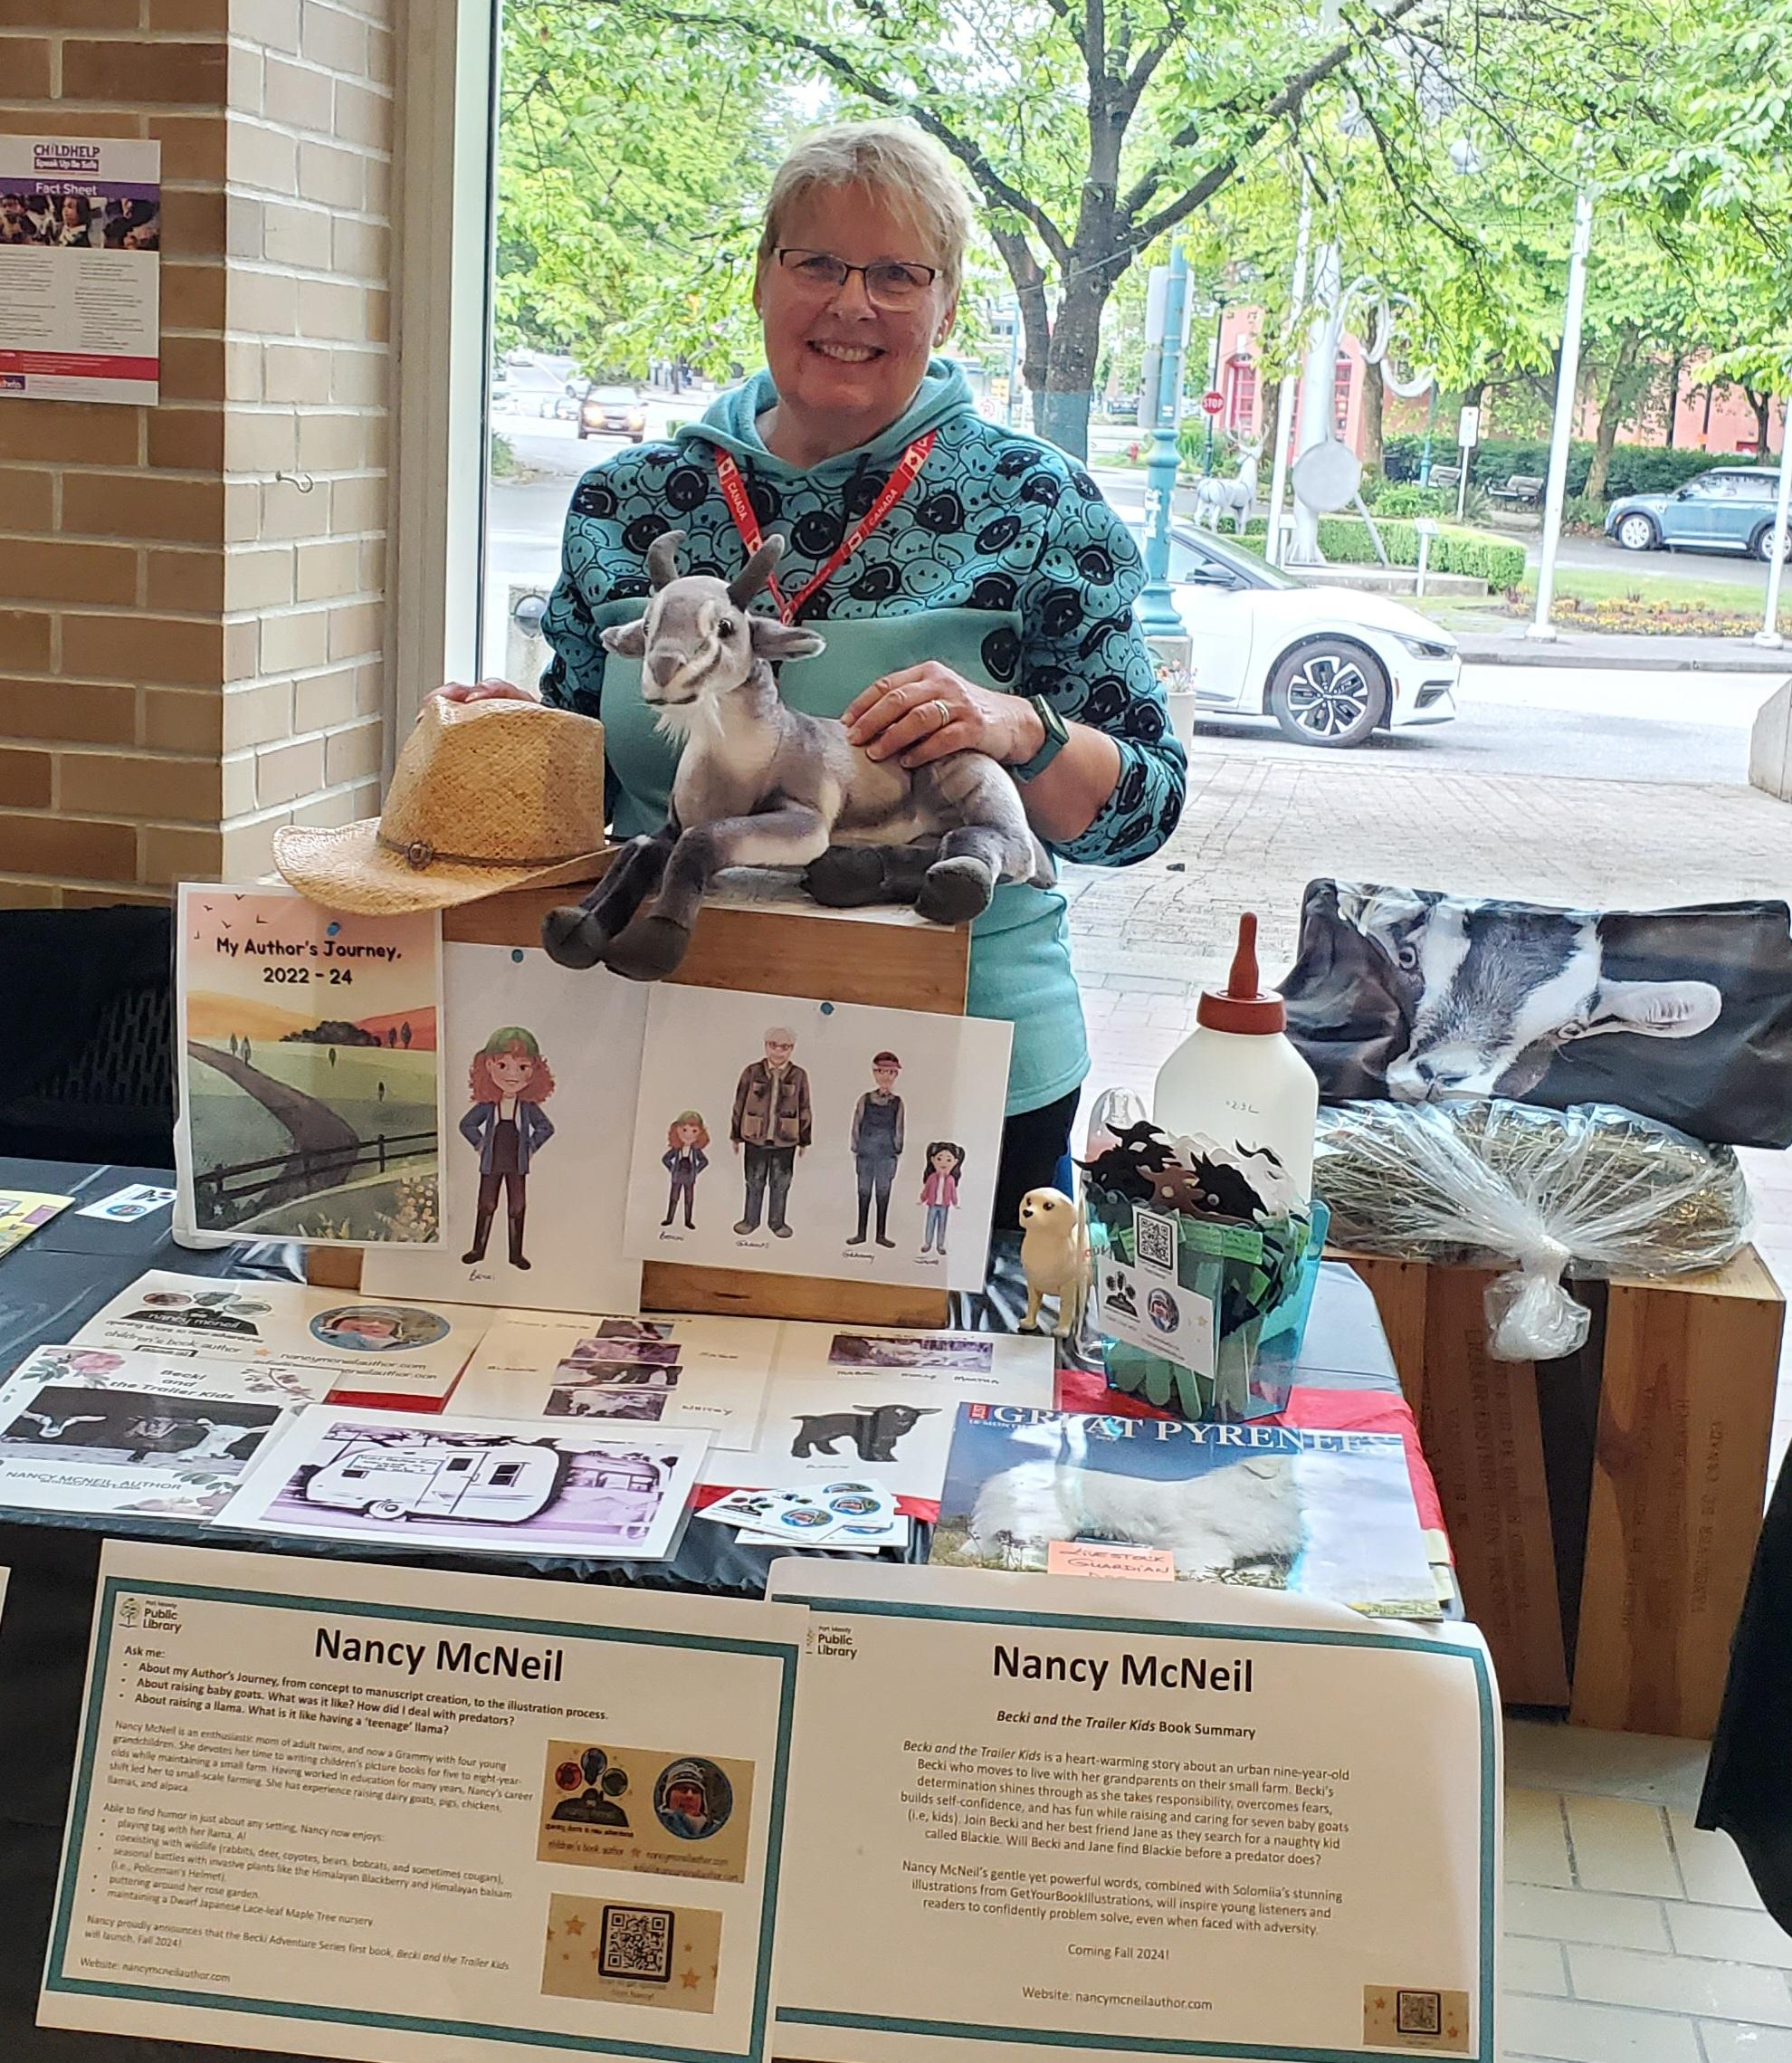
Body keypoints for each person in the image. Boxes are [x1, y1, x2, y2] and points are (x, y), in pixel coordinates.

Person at [436, 121, 1186, 1242]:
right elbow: (583, 771)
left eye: (897, 273)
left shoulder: (1040, 505)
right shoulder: (633, 502)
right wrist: (517, 740)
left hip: (962, 1052)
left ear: (947, 303)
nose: (854, 303)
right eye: (818, 263)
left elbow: (1141, 811)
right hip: (659, 1027)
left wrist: (1016, 727)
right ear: (761, 277)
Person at [459, 1027, 557, 1269]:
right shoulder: (488, 1104)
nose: (512, 1074)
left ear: (535, 1071)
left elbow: (546, 1128)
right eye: (503, 1066)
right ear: (488, 1066)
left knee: (517, 1207)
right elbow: (467, 1124)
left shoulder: (527, 1106)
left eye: (522, 1067)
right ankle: (478, 1250)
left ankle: (516, 1255)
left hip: (517, 1163)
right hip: (491, 1162)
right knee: (486, 1204)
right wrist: (480, 1145)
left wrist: (531, 1148)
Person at [730, 1027, 811, 1237]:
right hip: (754, 1138)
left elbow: (805, 1107)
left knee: (781, 1183)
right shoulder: (752, 1071)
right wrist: (735, 1136)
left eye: (784, 1047)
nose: (778, 1051)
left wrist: (804, 1139)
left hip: (786, 1140)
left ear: (791, 1049)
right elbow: (739, 1103)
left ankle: (777, 1223)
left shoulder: (799, 1075)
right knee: (754, 1181)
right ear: (766, 1045)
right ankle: (750, 1220)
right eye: (773, 1045)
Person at [848, 1050, 905, 1248]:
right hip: (865, 1153)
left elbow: (899, 1127)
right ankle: (861, 1234)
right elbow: (857, 1122)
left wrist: (897, 1149)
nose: (885, 1076)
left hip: (886, 1155)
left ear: (895, 1075)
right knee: (863, 1192)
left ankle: (881, 1235)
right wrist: (855, 1147)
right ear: (875, 1073)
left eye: (890, 1072)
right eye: (881, 1071)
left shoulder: (898, 1102)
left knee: (883, 1193)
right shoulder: (865, 1099)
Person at [661, 1109, 710, 1228]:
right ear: (676, 1130)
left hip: (689, 1177)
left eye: (694, 1131)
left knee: (689, 1199)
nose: (688, 1135)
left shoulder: (696, 1151)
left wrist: (695, 1171)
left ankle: (688, 1221)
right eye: (684, 1130)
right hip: (677, 1176)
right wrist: (672, 1169)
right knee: (674, 1197)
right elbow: (665, 1159)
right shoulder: (676, 1150)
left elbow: (704, 1161)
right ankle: (669, 1219)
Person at [920, 1141, 964, 1255]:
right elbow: (926, 1190)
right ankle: (928, 1243)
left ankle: (940, 1245)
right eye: (939, 1159)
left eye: (948, 1160)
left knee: (942, 1225)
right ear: (933, 1160)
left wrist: (955, 1203)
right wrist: (922, 1199)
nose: (943, 1163)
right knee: (930, 1224)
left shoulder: (951, 1180)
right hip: (932, 1205)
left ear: (955, 1162)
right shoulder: (932, 1178)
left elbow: (953, 1193)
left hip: (944, 1206)